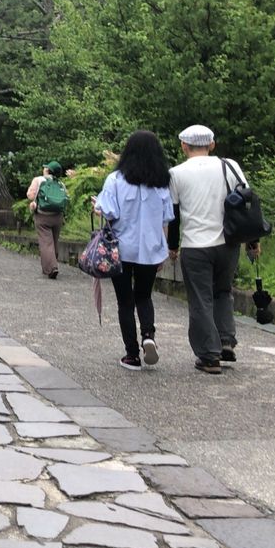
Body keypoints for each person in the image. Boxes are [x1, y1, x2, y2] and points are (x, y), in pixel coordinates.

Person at [168, 124, 260, 375]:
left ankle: (209, 356)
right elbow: (246, 203)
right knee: (223, 292)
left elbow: (174, 216)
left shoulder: (175, 173)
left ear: (184, 146)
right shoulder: (229, 165)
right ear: (212, 145)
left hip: (195, 246)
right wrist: (252, 241)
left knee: (200, 299)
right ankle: (226, 340)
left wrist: (172, 246)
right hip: (228, 244)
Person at [93, 130, 175, 371]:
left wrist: (97, 207)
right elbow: (166, 219)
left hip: (120, 249)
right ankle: (148, 335)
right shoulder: (161, 184)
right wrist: (164, 251)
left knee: (125, 302)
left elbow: (109, 212)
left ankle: (131, 355)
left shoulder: (115, 180)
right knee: (144, 296)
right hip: (150, 250)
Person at [28, 161, 67, 279]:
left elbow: (30, 195)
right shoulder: (61, 184)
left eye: (45, 168)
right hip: (58, 216)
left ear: (48, 170)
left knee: (46, 242)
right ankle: (52, 263)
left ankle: (52, 267)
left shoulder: (39, 180)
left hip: (42, 215)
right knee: (54, 241)